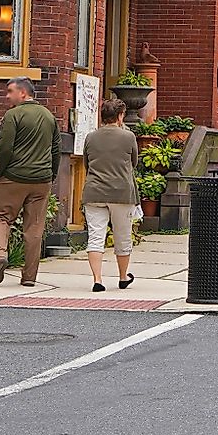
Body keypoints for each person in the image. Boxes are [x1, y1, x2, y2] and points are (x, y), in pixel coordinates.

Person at [0, 78, 60, 287]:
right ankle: (29, 277)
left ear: (23, 93)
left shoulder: (13, 115)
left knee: (1, 217)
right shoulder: (49, 116)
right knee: (34, 228)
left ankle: (0, 255)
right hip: (42, 180)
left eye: (10, 91)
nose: (7, 96)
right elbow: (56, 149)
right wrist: (52, 174)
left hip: (12, 178)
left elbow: (6, 148)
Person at [78, 94, 140, 292]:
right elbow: (134, 162)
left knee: (95, 237)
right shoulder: (128, 137)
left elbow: (86, 164)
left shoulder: (90, 137)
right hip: (122, 193)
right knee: (123, 236)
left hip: (94, 192)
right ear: (120, 116)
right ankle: (122, 277)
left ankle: (97, 279)